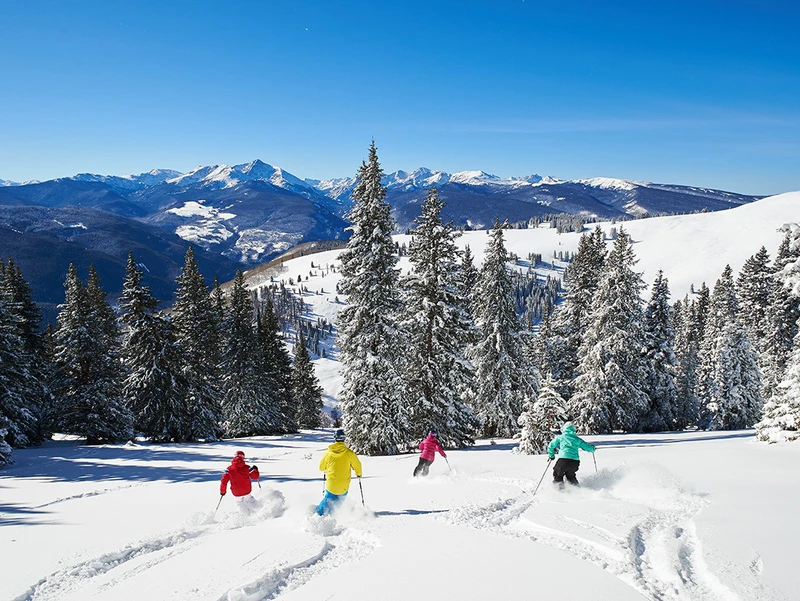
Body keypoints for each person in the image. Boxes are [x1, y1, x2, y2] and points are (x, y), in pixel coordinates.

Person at [317, 429, 362, 516]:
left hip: (331, 484)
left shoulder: (328, 453)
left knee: (328, 498)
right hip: (344, 485)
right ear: (344, 439)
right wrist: (359, 474)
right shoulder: (349, 453)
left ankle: (319, 514)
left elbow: (321, 467)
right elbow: (357, 465)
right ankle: (334, 514)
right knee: (340, 500)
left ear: (335, 438)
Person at [547, 423, 595, 488]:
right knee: (570, 476)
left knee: (558, 474)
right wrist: (592, 448)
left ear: (564, 429)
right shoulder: (577, 439)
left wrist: (551, 455)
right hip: (574, 462)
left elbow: (551, 446)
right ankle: (576, 490)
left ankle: (559, 491)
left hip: (563, 460)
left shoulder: (561, 437)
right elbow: (587, 447)